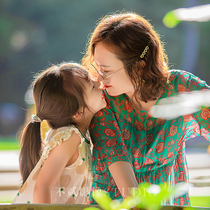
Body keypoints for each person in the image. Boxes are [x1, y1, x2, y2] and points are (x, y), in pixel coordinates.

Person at [81, 12, 210, 206]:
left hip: (167, 199)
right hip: (118, 203)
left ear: (140, 66)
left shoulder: (182, 87)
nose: (99, 78)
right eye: (97, 68)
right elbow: (117, 161)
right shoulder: (101, 100)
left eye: (106, 71)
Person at [12, 62, 106, 204]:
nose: (99, 84)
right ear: (78, 113)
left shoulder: (78, 136)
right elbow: (42, 187)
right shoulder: (70, 138)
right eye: (92, 86)